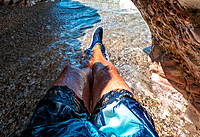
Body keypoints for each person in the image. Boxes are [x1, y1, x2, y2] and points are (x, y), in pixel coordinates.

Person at [21, 27, 159, 137]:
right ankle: (97, 51)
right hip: (132, 131)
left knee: (72, 71)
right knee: (107, 70)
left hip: (52, 131)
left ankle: (90, 61)